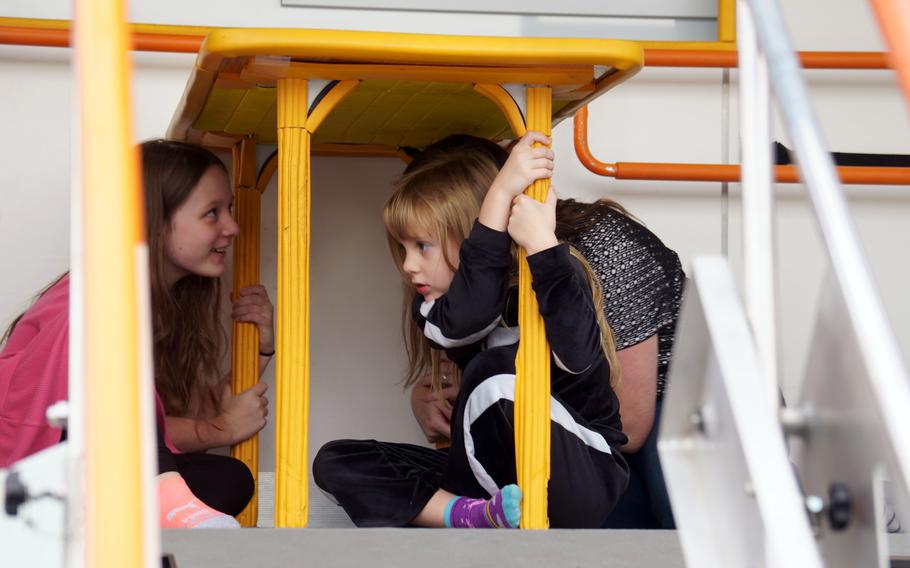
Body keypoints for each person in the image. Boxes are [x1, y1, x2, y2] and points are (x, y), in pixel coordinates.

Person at [314, 132, 629, 528]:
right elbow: (469, 316)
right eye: (403, 249)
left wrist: (542, 245)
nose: (409, 265)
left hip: (580, 470)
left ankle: (482, 512)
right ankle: (469, 516)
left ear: (472, 237)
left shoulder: (553, 274)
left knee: (495, 371)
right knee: (338, 459)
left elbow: (579, 359)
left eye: (422, 246)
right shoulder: (435, 311)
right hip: (493, 486)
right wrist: (500, 196)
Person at [399, 134, 684, 529]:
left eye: (423, 243)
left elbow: (629, 426)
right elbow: (480, 359)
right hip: (570, 415)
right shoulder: (463, 290)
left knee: (675, 493)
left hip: (670, 406)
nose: (408, 264)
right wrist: (436, 395)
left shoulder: (602, 247)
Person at [0, 139, 274, 529]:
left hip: (93, 472)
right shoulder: (95, 299)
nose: (232, 227)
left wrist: (261, 349)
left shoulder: (156, 300)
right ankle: (157, 505)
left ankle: (128, 519)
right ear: (155, 223)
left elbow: (165, 425)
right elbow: (100, 419)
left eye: (227, 209)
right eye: (212, 213)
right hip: (33, 469)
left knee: (228, 479)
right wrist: (218, 429)